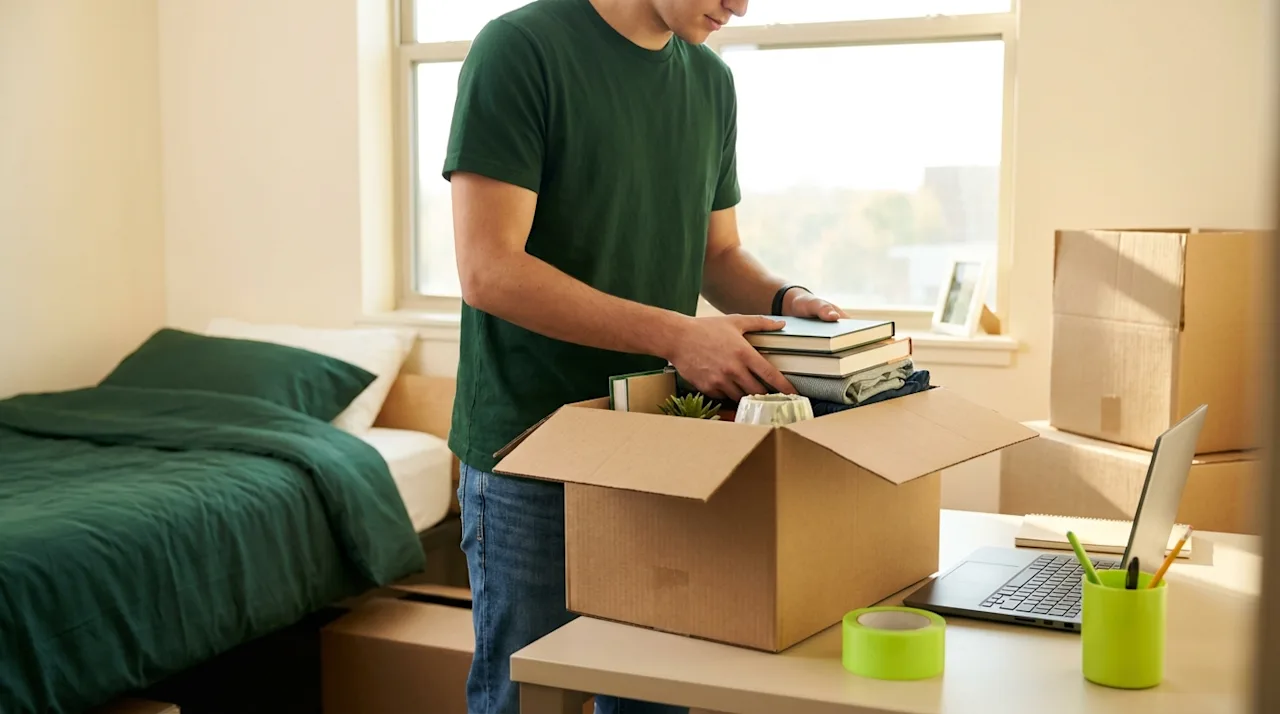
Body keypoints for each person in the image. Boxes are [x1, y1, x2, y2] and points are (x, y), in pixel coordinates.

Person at [443, 0, 845, 711]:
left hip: (657, 446)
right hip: (533, 450)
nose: (740, 5)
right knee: (528, 698)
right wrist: (675, 335)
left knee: (654, 697)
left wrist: (788, 299)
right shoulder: (520, 49)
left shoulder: (710, 81)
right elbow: (489, 270)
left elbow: (716, 255)